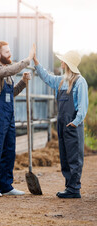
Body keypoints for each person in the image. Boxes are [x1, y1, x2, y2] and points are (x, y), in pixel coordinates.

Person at [33, 50, 88, 198]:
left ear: (67, 64)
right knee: (64, 156)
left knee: (74, 157)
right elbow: (47, 78)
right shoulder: (62, 81)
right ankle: (69, 187)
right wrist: (36, 63)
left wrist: (75, 123)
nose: (61, 62)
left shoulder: (79, 81)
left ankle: (74, 188)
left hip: (72, 124)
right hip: (62, 123)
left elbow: (83, 107)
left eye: (63, 61)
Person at [0, 41, 35, 197]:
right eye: (7, 52)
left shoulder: (7, 75)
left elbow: (11, 93)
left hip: (8, 115)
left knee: (9, 150)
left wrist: (23, 82)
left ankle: (6, 185)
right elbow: (12, 69)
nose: (10, 54)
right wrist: (28, 59)